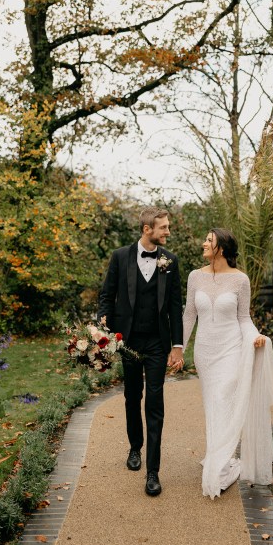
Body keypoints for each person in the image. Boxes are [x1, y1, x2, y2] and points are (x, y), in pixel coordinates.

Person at [182, 228, 273, 500]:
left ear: (221, 248)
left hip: (231, 349)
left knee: (224, 399)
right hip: (205, 353)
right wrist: (177, 349)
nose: (204, 243)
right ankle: (219, 454)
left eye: (209, 241)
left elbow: (243, 318)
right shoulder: (195, 277)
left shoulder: (240, 280)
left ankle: (221, 464)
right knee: (213, 403)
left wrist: (256, 336)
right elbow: (189, 315)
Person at [97, 206, 184, 496]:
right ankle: (135, 446)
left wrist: (177, 345)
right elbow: (107, 295)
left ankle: (153, 472)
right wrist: (105, 333)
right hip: (129, 341)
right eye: (164, 228)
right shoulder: (120, 257)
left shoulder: (170, 261)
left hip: (158, 343)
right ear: (148, 229)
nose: (168, 232)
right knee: (132, 396)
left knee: (155, 401)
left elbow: (174, 305)